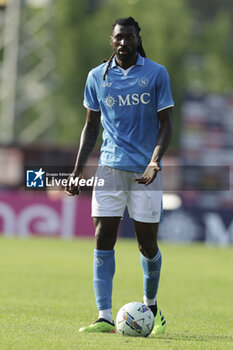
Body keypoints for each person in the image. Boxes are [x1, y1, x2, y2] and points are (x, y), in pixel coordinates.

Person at [65, 16, 174, 334]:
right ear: (111, 41)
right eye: (119, 37)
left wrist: (155, 161)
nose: (124, 42)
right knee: (102, 238)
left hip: (145, 174)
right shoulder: (97, 77)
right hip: (109, 169)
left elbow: (167, 123)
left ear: (138, 39)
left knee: (147, 244)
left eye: (129, 37)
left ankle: (152, 308)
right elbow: (90, 126)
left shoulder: (156, 73)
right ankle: (103, 316)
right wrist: (76, 170)